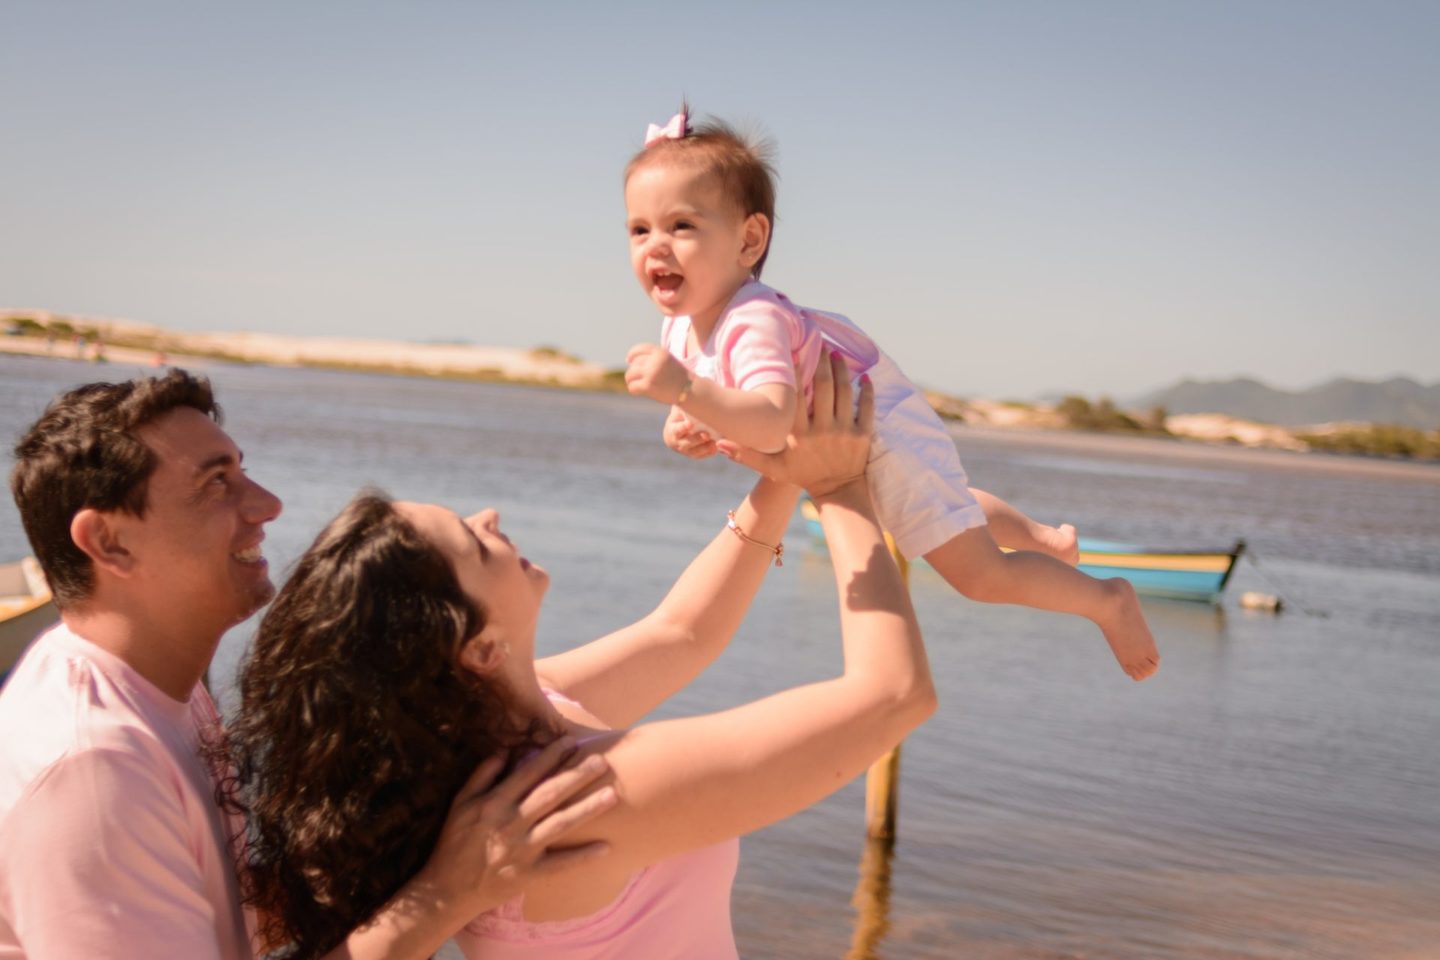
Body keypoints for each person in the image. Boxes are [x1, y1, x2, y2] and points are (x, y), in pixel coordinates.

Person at [224, 351, 934, 958]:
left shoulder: (493, 738)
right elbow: (893, 696)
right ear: (478, 648)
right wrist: (842, 489)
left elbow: (683, 633)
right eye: (472, 542)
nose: (490, 516)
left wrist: (785, 466)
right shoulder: (580, 797)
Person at [0, 370, 617, 960]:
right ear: (110, 542)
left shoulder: (159, 686)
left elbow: (217, 914)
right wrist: (451, 891)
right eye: (217, 483)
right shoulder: (93, 768)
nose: (269, 505)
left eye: (244, 471)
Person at [622, 106, 1159, 681]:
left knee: (976, 574)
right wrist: (687, 418)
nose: (656, 246)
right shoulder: (681, 324)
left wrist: (686, 391)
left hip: (880, 427)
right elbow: (730, 401)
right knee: (934, 510)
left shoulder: (752, 319)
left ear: (749, 240)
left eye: (681, 226)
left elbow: (772, 421)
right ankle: (1045, 538)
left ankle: (1107, 600)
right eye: (639, 229)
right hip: (846, 424)